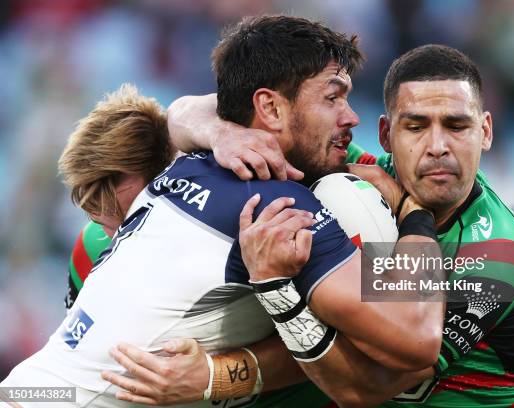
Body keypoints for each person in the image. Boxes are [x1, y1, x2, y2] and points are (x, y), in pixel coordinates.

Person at [2, 17, 443, 408]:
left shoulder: (185, 165)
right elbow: (418, 341)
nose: (351, 116)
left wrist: (217, 375)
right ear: (269, 107)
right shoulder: (276, 207)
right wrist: (415, 217)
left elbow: (181, 112)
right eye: (333, 98)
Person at [107, 45, 514, 407]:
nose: (437, 146)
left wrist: (216, 374)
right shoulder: (359, 171)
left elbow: (367, 384)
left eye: (457, 126)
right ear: (386, 133)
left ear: (486, 132)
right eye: (416, 127)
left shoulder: (495, 254)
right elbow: (183, 112)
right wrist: (226, 134)